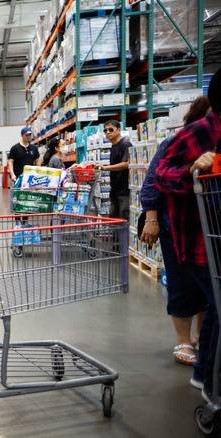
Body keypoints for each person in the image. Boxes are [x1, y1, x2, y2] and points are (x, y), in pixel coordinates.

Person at [155, 70, 220, 401]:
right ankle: (206, 374)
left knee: (214, 303)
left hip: (211, 238)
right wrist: (151, 218)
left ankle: (204, 371)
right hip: (191, 236)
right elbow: (157, 178)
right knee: (200, 295)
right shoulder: (189, 137)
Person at [141, 96, 210, 368]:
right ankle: (184, 339)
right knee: (182, 283)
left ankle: (200, 337)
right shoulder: (176, 143)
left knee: (209, 287)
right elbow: (151, 183)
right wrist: (152, 219)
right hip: (176, 226)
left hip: (209, 228)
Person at [97, 120, 131, 220]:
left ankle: (122, 237)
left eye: (111, 129)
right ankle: (116, 237)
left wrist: (106, 167)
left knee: (123, 221)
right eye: (105, 130)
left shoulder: (125, 144)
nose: (107, 132)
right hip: (115, 190)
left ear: (119, 130)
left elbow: (127, 164)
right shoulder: (114, 146)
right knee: (113, 221)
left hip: (124, 191)